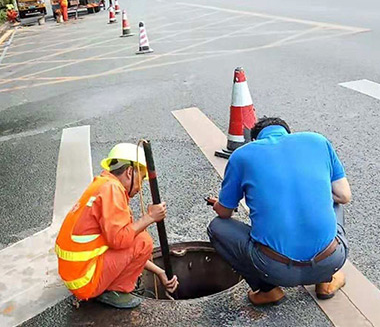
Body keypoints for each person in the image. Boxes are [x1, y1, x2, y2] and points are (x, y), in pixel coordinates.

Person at [207, 117, 351, 306]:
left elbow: (224, 213)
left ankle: (267, 290)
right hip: (332, 259)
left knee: (217, 227)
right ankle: (326, 282)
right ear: (288, 133)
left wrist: (219, 204)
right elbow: (344, 195)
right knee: (335, 202)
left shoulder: (243, 155)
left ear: (255, 139)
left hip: (275, 269)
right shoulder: (317, 141)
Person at [55, 143, 179, 309]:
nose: (140, 187)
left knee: (138, 237)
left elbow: (125, 245)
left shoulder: (103, 185)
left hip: (78, 273)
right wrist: (150, 217)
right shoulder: (112, 190)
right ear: (129, 172)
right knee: (144, 241)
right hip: (85, 280)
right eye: (141, 179)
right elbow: (121, 241)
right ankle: (114, 291)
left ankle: (107, 286)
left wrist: (160, 272)